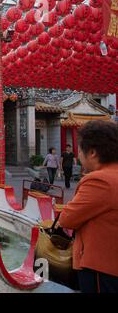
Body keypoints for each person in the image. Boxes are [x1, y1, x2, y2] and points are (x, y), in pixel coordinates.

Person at [58, 120, 118, 293]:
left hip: (101, 267)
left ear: (92, 152)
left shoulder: (100, 181)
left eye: (80, 151)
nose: (79, 156)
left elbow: (67, 219)